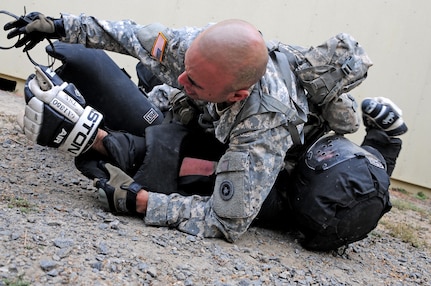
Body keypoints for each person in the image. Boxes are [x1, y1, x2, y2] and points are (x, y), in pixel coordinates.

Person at [3, 12, 398, 244]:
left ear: (237, 94)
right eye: (186, 69)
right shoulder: (196, 48)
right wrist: (59, 25)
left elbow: (228, 220)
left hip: (277, 170)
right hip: (214, 115)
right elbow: (130, 36)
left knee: (185, 169)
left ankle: (386, 142)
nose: (182, 80)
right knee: (150, 75)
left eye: (195, 82)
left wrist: (143, 203)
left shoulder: (263, 129)